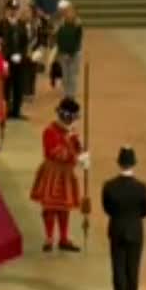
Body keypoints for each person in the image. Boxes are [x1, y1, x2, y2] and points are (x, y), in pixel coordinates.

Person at [30, 97, 87, 253]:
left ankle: (63, 237)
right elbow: (55, 153)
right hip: (53, 173)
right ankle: (49, 237)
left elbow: (77, 149)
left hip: (67, 174)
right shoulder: (50, 131)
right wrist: (75, 155)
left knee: (64, 208)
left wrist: (82, 154)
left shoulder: (72, 132)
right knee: (50, 207)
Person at [102, 145, 146, 290]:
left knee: (118, 263)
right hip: (135, 229)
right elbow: (145, 210)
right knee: (133, 264)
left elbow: (106, 208)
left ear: (119, 163)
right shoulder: (141, 187)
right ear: (133, 163)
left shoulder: (109, 186)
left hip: (116, 227)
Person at [0, 2, 30, 120]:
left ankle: (16, 111)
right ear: (7, 10)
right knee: (6, 86)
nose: (13, 12)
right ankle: (5, 110)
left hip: (19, 61)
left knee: (18, 86)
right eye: (11, 9)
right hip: (6, 60)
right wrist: (7, 55)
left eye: (15, 9)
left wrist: (21, 55)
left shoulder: (21, 24)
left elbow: (25, 43)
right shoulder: (1, 25)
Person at [56, 2, 85, 99]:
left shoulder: (78, 25)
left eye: (71, 12)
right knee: (65, 75)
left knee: (72, 74)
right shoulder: (61, 25)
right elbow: (59, 39)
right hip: (63, 53)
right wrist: (61, 52)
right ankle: (66, 92)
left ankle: (71, 93)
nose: (69, 14)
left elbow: (78, 40)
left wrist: (72, 52)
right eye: (67, 12)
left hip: (74, 53)